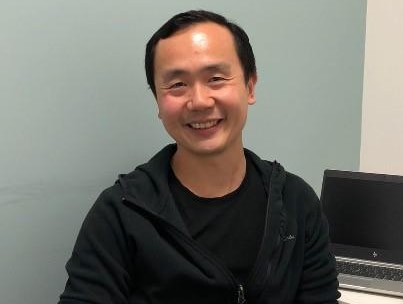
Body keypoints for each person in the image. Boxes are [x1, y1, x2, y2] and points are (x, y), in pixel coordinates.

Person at [58, 9, 340, 304]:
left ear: (250, 86)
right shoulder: (120, 213)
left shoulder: (296, 203)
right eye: (177, 84)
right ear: (157, 100)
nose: (199, 101)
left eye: (216, 78)